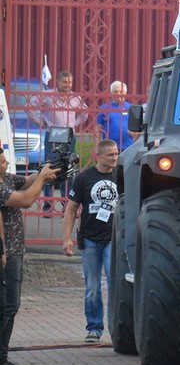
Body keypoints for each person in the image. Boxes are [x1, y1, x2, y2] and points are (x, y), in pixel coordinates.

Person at [0, 148, 59, 365]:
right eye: (3, 161)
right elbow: (25, 199)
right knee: (5, 308)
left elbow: (26, 182)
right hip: (5, 253)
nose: (6, 163)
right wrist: (43, 178)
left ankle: (3, 359)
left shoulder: (5, 178)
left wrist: (45, 169)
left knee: (11, 307)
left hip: (15, 251)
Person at [62, 139, 119, 343]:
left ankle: (117, 329)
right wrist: (67, 238)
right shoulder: (83, 178)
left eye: (116, 154)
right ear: (99, 156)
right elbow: (71, 209)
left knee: (115, 284)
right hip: (90, 240)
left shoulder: (121, 176)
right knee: (92, 286)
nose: (114, 158)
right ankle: (94, 328)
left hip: (113, 237)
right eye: (110, 155)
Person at [27, 70, 88, 212]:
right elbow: (29, 107)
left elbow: (85, 113)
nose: (67, 85)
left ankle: (67, 205)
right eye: (65, 82)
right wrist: (41, 122)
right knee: (49, 168)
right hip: (52, 136)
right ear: (58, 82)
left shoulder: (75, 98)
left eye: (70, 82)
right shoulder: (48, 96)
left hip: (68, 137)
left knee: (67, 169)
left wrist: (74, 124)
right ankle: (48, 206)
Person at [96, 81, 139, 151]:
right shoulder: (104, 108)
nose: (118, 94)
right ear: (111, 93)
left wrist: (134, 132)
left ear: (125, 93)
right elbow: (97, 129)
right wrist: (96, 148)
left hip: (128, 147)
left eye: (121, 91)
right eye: (115, 92)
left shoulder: (131, 108)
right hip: (109, 148)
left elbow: (137, 129)